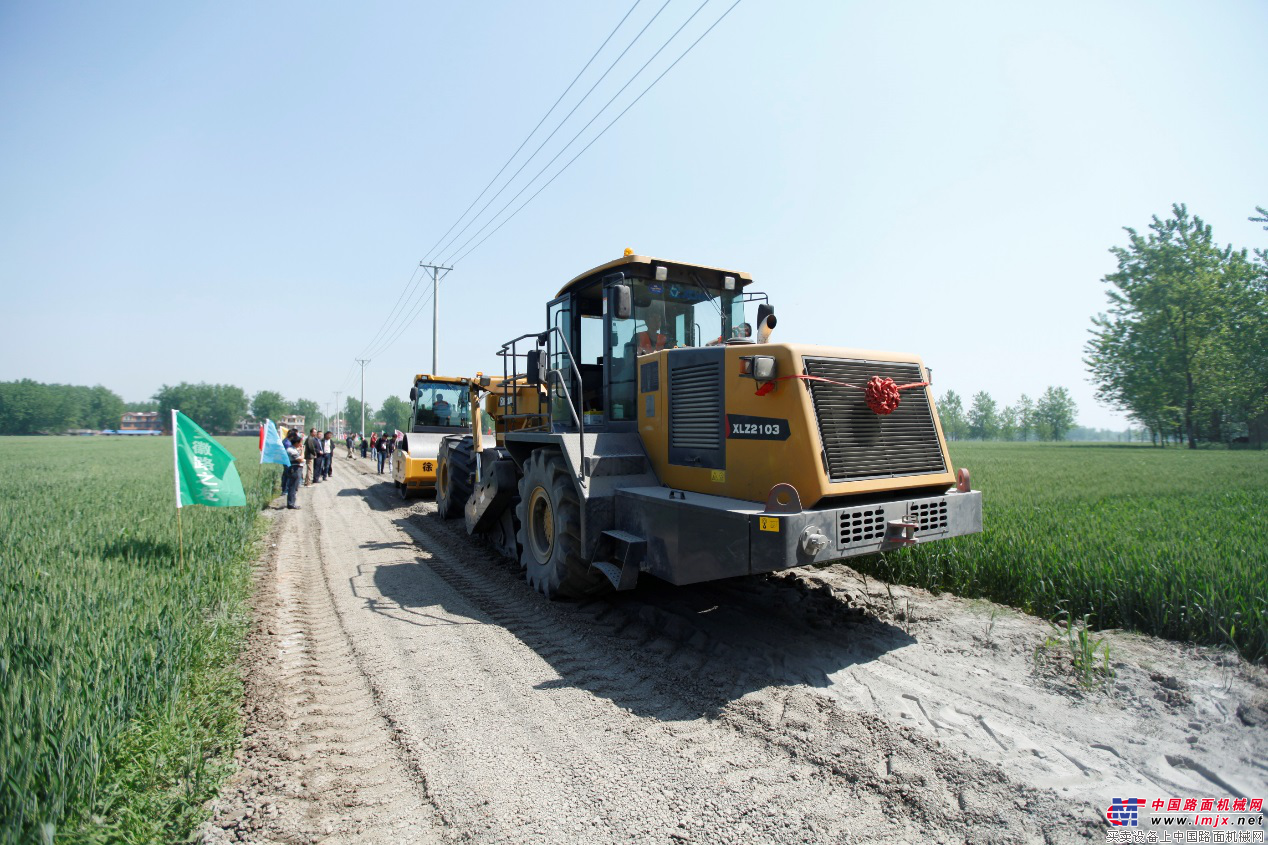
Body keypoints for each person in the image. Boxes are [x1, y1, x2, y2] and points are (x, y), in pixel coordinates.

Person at [283, 431, 304, 509]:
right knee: (292, 487)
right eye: (300, 442)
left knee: (295, 487)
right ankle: (291, 504)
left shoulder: (294, 449)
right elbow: (300, 459)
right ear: (296, 443)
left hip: (297, 469)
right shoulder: (291, 450)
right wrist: (302, 451)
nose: (301, 444)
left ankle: (292, 502)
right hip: (294, 469)